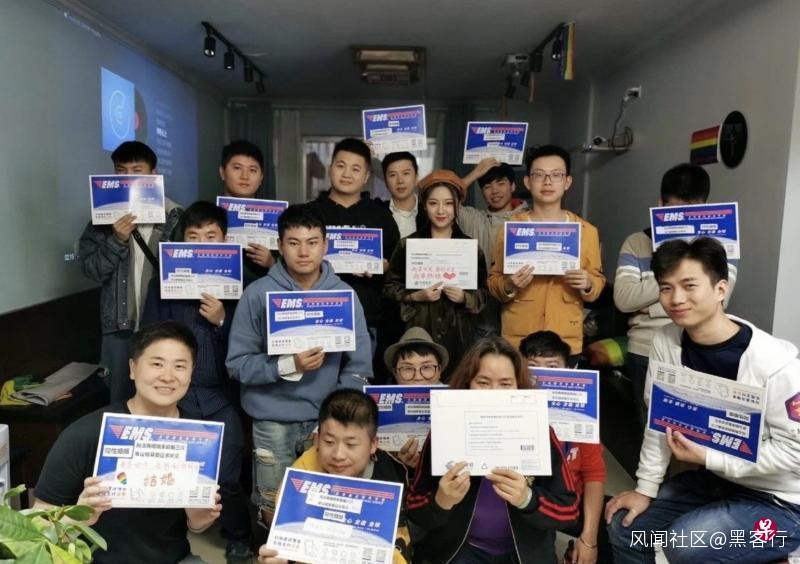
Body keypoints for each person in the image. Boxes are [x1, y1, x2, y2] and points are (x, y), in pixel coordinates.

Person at [605, 238, 800, 563]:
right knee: (627, 528)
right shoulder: (666, 342)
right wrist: (645, 489)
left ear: (721, 289)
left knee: (685, 544)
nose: (676, 299)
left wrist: (711, 456)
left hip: (782, 502)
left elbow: (795, 453)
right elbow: (659, 421)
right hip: (717, 481)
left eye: (689, 285)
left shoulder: (775, 364)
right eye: (666, 288)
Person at [225, 203, 373, 527]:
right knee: (272, 508)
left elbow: (359, 366)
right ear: (280, 245)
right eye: (293, 243)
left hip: (327, 425)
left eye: (312, 242)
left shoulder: (344, 295)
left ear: (325, 245)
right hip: (272, 421)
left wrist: (335, 415)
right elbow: (237, 365)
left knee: (325, 508)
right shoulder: (257, 294)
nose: (303, 252)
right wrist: (287, 365)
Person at [33, 321, 221, 564]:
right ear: (133, 368)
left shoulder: (198, 439)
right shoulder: (85, 433)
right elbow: (37, 525)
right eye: (156, 364)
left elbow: (197, 525)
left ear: (191, 373)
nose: (168, 376)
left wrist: (198, 519)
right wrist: (79, 517)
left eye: (180, 366)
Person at [141, 201, 253, 563]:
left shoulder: (242, 286)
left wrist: (222, 320)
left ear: (225, 241)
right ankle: (172, 536)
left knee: (229, 472)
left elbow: (252, 346)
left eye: (211, 236)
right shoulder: (163, 283)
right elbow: (149, 339)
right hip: (176, 396)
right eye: (193, 237)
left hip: (223, 396)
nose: (202, 243)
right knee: (173, 471)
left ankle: (237, 536)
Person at [407, 336, 579, 563]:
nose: (494, 393)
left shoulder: (541, 433)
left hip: (523, 555)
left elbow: (569, 511)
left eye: (505, 384)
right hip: (460, 552)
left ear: (519, 386)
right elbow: (414, 505)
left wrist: (528, 499)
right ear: (467, 384)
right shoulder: (444, 432)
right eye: (483, 382)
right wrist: (441, 501)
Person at [613, 163, 738, 426]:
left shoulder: (720, 244)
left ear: (704, 208)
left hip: (702, 349)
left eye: (690, 212)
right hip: (645, 347)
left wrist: (650, 307)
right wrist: (676, 271)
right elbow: (624, 300)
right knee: (652, 429)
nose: (681, 221)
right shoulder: (637, 242)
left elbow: (718, 300)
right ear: (660, 204)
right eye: (673, 211)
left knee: (698, 430)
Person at [78, 141, 182, 403]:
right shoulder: (101, 220)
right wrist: (116, 240)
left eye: (137, 171)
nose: (128, 178)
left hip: (164, 326)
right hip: (119, 328)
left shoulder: (176, 217)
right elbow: (91, 271)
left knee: (165, 397)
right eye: (121, 171)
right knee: (120, 401)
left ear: (153, 174)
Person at [257, 389, 412, 563]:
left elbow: (401, 542)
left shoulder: (392, 475)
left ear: (373, 444)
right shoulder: (299, 478)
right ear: (317, 440)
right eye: (329, 442)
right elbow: (288, 544)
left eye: (351, 444)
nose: (338, 455)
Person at [487, 144, 606, 356]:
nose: (547, 182)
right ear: (527, 182)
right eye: (539, 175)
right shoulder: (510, 230)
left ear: (567, 182)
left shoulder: (587, 231)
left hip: (565, 341)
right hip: (518, 339)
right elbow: (493, 282)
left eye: (556, 175)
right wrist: (509, 284)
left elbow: (597, 281)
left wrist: (588, 284)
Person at [384, 170, 487, 381]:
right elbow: (389, 288)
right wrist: (415, 296)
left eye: (448, 203)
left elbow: (484, 293)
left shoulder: (470, 248)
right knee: (419, 383)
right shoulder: (408, 245)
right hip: (419, 330)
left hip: (458, 334)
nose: (441, 210)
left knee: (455, 386)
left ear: (457, 205)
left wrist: (465, 297)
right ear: (424, 205)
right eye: (433, 203)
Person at [521, 330, 612, 564]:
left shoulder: (581, 416)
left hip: (570, 501)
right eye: (532, 367)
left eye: (552, 367)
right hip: (528, 502)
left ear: (568, 370)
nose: (542, 376)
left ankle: (574, 554)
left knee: (619, 524)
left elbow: (594, 475)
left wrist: (589, 538)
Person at [308, 138, 401, 358]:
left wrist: (383, 266)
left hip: (368, 318)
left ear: (366, 176)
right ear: (330, 168)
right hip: (317, 316)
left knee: (361, 376)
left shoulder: (381, 216)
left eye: (355, 169)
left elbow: (398, 263)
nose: (347, 174)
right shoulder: (309, 213)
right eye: (341, 166)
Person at [459, 158, 530, 339]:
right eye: (487, 186)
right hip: (484, 318)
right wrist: (476, 173)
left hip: (522, 317)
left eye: (501, 183)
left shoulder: (531, 220)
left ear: (512, 186)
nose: (495, 190)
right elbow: (445, 199)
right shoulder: (474, 219)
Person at [382, 326, 449, 469]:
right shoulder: (382, 408)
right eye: (407, 368)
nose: (418, 377)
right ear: (395, 373)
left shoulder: (455, 403)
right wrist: (398, 461)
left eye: (427, 367)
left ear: (439, 371)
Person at [219, 139, 275, 283]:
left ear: (261, 178)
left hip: (262, 293)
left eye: (252, 170)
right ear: (222, 172)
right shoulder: (205, 216)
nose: (245, 176)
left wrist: (272, 263)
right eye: (237, 168)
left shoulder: (277, 219)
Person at [381, 151, 421, 238]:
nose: (400, 181)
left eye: (406, 173)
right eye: (393, 175)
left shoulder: (429, 211)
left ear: (416, 177)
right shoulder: (378, 213)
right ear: (385, 181)